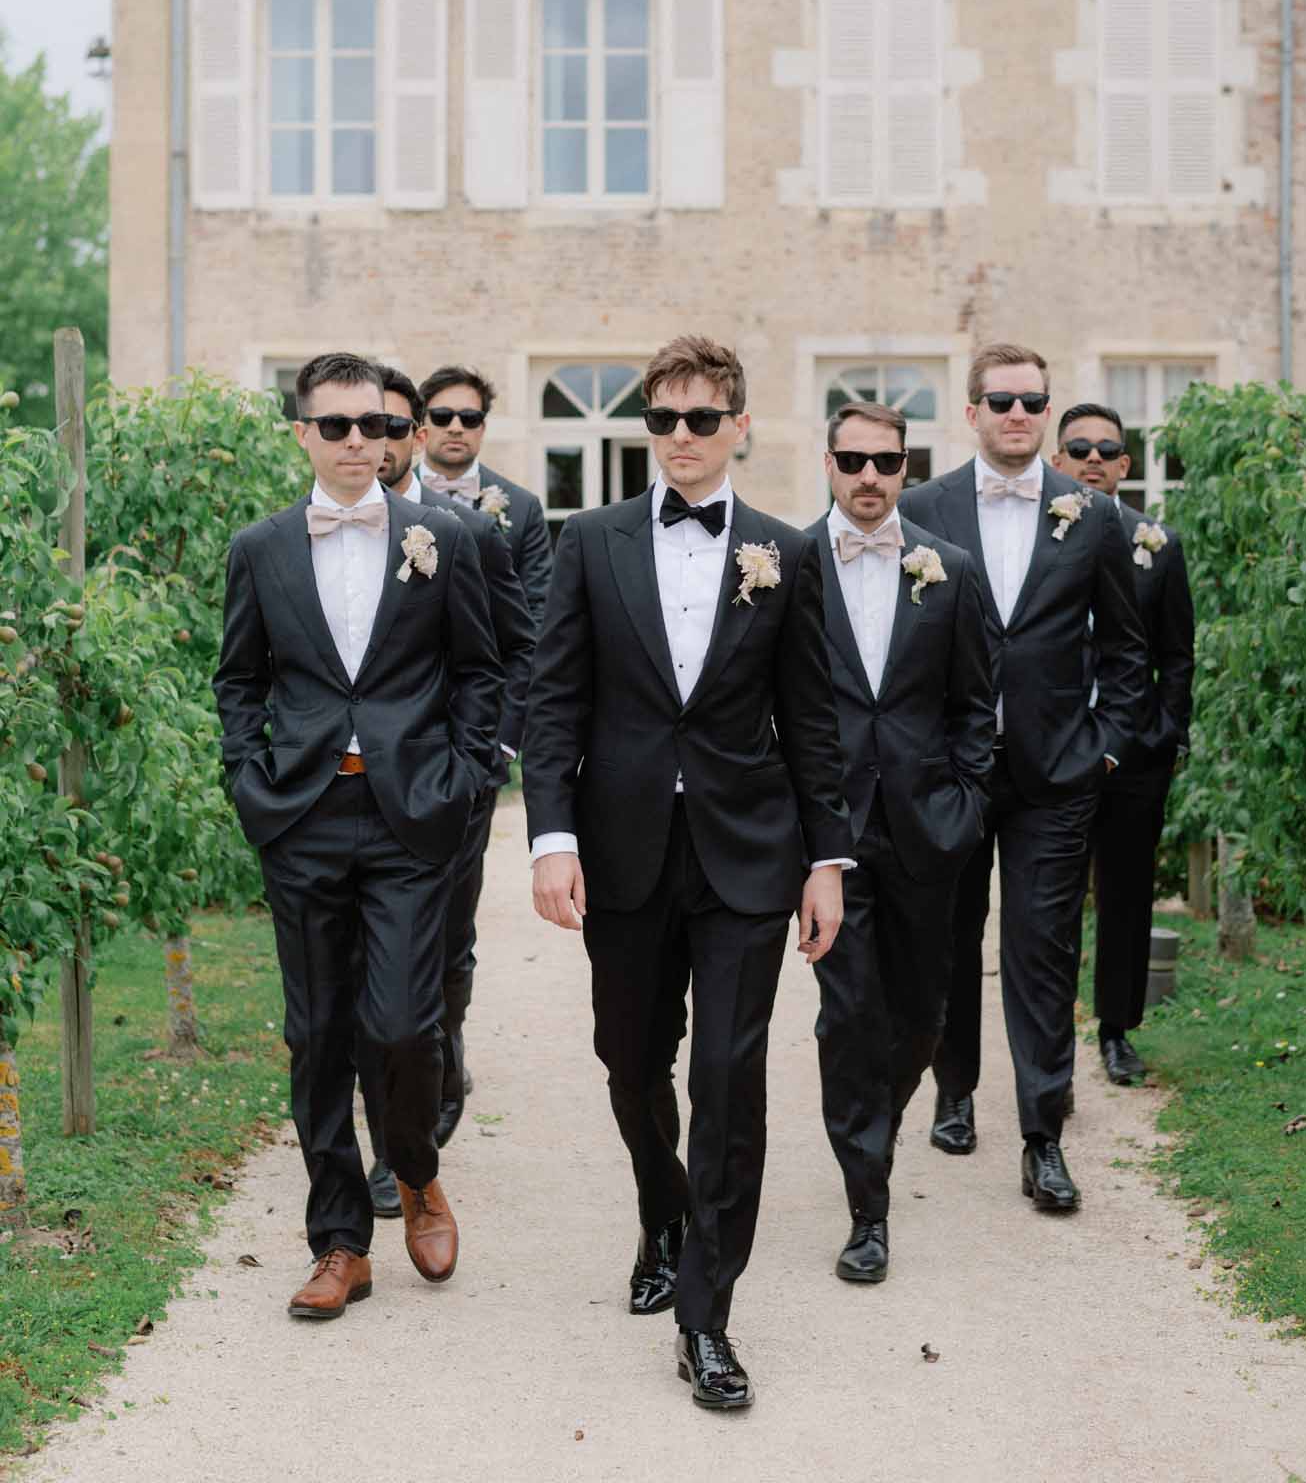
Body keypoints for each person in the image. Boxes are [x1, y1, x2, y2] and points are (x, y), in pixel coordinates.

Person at [522, 335, 851, 1410]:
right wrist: (550, 835)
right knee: (629, 1056)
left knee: (728, 1073)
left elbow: (812, 717)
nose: (679, 438)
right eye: (661, 419)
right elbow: (552, 700)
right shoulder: (590, 540)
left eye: (700, 418)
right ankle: (660, 1207)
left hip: (747, 855)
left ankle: (706, 1312)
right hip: (619, 848)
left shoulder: (782, 553)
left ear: (738, 427)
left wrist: (826, 860)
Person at [214, 351, 503, 1319]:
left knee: (402, 1024)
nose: (355, 443)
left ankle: (415, 1169)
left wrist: (462, 779)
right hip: (300, 814)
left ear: (394, 436)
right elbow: (237, 681)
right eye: (334, 425)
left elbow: (479, 670)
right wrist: (249, 782)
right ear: (301, 431)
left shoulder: (444, 537)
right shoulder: (259, 548)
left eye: (373, 427)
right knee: (315, 1034)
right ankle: (339, 1240)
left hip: (408, 816)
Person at [900, 343, 1146, 1212]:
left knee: (1041, 952)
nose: (1016, 414)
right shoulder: (919, 509)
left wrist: (1106, 746)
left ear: (1046, 412)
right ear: (970, 412)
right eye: (999, 400)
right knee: (948, 939)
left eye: (1031, 402)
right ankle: (955, 1089)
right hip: (952, 772)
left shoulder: (1092, 514)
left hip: (1056, 773)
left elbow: (1124, 647)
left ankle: (1042, 1136)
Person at [809, 401, 994, 1283]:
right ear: (828, 464)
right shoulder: (786, 564)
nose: (868, 477)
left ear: (906, 467)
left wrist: (964, 804)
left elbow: (973, 708)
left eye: (884, 462)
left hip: (928, 829)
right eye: (852, 461)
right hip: (827, 838)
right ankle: (867, 1205)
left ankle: (870, 1132)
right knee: (848, 1016)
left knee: (919, 1015)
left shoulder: (948, 569)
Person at [355, 367, 536, 1219]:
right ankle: (391, 1128)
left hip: (445, 782)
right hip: (345, 793)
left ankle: (429, 1080)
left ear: (416, 438)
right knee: (370, 973)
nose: (381, 442)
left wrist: (487, 756)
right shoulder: (314, 528)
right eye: (368, 426)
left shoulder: (477, 526)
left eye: (395, 428)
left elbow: (516, 645)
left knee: (440, 952)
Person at [1053, 402, 1195, 1086]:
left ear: (1124, 465)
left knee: (1126, 893)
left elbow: (1176, 653)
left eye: (1106, 449)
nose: (1092, 459)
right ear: (1058, 460)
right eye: (1078, 448)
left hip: (1135, 754)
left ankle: (1115, 1031)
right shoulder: (1034, 537)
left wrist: (1163, 733)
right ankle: (1047, 1038)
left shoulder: (1155, 544)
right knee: (1046, 901)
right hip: (1051, 751)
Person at [417, 363, 553, 628]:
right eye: (442, 416)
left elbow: (539, 604)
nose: (456, 427)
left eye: (469, 418)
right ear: (422, 424)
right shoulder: (390, 497)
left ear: (482, 428)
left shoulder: (524, 507)